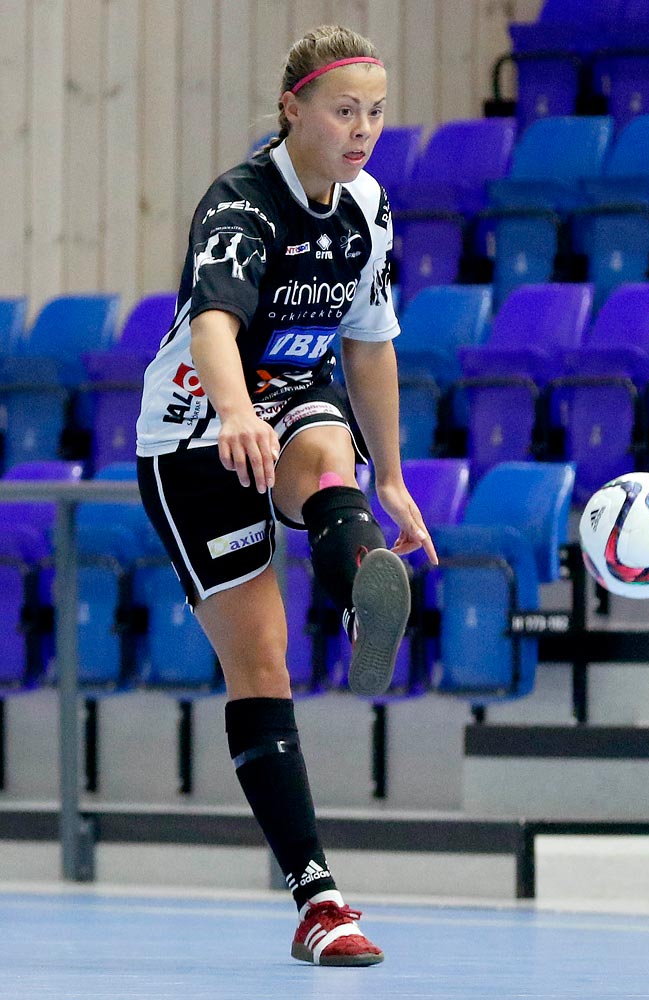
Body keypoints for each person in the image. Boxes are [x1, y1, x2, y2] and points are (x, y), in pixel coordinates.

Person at [135, 25, 437, 967]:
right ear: (293, 110)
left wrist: (392, 477)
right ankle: (317, 899)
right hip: (196, 429)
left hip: (295, 397)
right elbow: (217, 324)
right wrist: (232, 413)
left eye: (377, 113)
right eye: (344, 110)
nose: (363, 130)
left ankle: (356, 595)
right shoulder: (241, 203)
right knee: (262, 664)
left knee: (324, 452)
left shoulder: (369, 208)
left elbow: (372, 343)